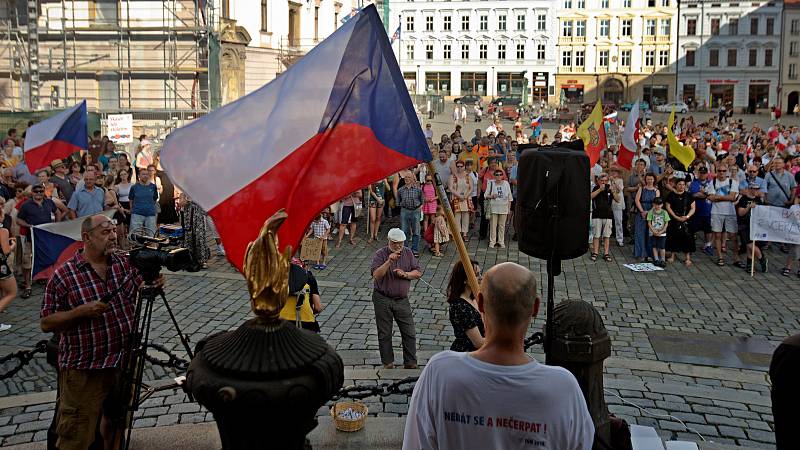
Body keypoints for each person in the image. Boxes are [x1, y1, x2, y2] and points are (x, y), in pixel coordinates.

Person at [403, 262, 594, 450]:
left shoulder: (440, 373)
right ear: (535, 307)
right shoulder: (563, 388)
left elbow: (415, 444)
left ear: (481, 303)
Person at [41, 214, 162, 450]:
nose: (113, 236)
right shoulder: (64, 276)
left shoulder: (123, 263)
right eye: (105, 232)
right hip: (85, 367)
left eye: (114, 230)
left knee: (117, 422)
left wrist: (154, 281)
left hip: (122, 362)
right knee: (76, 434)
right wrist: (79, 312)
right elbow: (47, 322)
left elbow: (143, 285)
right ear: (87, 237)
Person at [370, 228, 421, 369]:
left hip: (402, 299)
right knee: (384, 333)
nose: (398, 246)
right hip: (382, 297)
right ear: (389, 242)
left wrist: (405, 274)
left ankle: (411, 362)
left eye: (401, 243)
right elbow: (376, 275)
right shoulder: (380, 254)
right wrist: (388, 262)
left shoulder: (408, 253)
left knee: (409, 331)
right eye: (395, 243)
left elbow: (417, 272)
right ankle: (388, 362)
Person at [705, 165, 741, 267]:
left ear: (727, 172)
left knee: (733, 236)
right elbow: (711, 197)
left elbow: (733, 197)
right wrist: (726, 197)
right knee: (717, 235)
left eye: (724, 171)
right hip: (716, 212)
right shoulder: (713, 182)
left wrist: (718, 197)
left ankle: (736, 258)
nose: (721, 172)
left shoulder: (732, 182)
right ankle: (720, 257)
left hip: (730, 212)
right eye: (719, 170)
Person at [446, 259, 484, 352]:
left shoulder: (474, 297)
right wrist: (504, 342)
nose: (481, 278)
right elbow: (478, 343)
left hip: (481, 354)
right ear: (465, 280)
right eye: (477, 275)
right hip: (467, 356)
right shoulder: (460, 306)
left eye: (480, 273)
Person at [278, 260, 323, 332]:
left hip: (281, 320)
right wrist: (312, 312)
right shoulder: (309, 278)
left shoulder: (277, 279)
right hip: (306, 321)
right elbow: (318, 307)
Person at [736, 182, 768, 273]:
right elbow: (740, 213)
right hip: (744, 225)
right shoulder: (744, 199)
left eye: (757, 189)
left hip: (756, 225)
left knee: (751, 246)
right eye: (754, 189)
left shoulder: (759, 200)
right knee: (749, 244)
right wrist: (748, 207)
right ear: (750, 189)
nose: (756, 191)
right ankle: (762, 259)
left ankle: (750, 265)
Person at [665, 178, 696, 266]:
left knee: (687, 238)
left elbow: (693, 208)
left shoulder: (689, 195)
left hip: (686, 218)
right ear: (676, 185)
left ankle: (687, 258)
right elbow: (668, 206)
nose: (681, 186)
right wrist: (675, 216)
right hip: (674, 218)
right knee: (673, 236)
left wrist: (687, 217)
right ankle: (673, 255)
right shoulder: (671, 195)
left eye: (683, 185)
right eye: (679, 184)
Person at [590, 173, 620, 262]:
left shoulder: (610, 189)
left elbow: (618, 200)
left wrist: (613, 191)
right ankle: (595, 252)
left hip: (608, 215)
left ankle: (606, 253)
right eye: (601, 181)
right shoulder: (595, 188)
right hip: (597, 215)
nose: (603, 183)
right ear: (598, 181)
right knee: (596, 235)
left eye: (605, 181)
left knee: (607, 236)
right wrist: (600, 189)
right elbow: (590, 197)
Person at [178, 193, 211, 270]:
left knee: (200, 236)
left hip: (198, 215)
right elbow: (181, 203)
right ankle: (189, 259)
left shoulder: (198, 190)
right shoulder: (184, 190)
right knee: (188, 236)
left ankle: (202, 260)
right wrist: (185, 200)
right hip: (188, 216)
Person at [396, 173, 424, 257]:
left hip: (415, 210)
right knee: (404, 231)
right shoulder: (400, 190)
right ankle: (405, 250)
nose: (406, 178)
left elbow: (422, 200)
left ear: (412, 179)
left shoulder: (418, 190)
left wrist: (419, 208)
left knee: (416, 231)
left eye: (408, 177)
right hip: (404, 210)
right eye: (405, 177)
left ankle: (415, 249)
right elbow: (398, 201)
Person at [689, 166, 714, 256]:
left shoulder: (711, 183)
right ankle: (690, 247)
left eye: (704, 173)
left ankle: (707, 246)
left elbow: (712, 194)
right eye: (701, 173)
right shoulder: (694, 183)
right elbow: (694, 194)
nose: (703, 174)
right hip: (696, 210)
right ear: (698, 173)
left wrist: (704, 193)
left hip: (708, 211)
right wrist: (706, 194)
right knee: (692, 229)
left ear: (707, 174)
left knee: (708, 229)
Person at [634, 172, 659, 261]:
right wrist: (642, 211)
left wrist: (649, 212)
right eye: (648, 179)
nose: (649, 181)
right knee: (640, 233)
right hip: (641, 211)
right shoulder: (641, 188)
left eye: (651, 179)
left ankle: (649, 254)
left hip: (652, 212)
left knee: (650, 234)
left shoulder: (656, 191)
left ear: (654, 180)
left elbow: (657, 203)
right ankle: (641, 253)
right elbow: (637, 200)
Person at [128, 168, 159, 238]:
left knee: (152, 235)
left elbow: (154, 199)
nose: (145, 176)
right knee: (135, 235)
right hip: (137, 213)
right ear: (139, 175)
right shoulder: (134, 187)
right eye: (143, 174)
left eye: (147, 174)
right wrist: (132, 210)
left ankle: (151, 248)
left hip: (150, 214)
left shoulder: (153, 187)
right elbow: (131, 199)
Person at [486, 167, 512, 249]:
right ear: (494, 176)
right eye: (497, 175)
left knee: (502, 226)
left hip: (503, 207)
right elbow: (485, 195)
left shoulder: (506, 183)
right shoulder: (491, 183)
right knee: (493, 226)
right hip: (494, 208)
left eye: (500, 174)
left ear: (502, 176)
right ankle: (492, 241)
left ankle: (501, 241)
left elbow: (510, 198)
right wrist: (492, 196)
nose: (498, 176)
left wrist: (508, 209)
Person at [0, 205, 16, 332]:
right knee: (11, 292)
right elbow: (5, 251)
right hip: (2, 268)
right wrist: (13, 245)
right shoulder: (3, 231)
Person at [449, 161, 472, 241]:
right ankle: (457, 233)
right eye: (458, 166)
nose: (459, 168)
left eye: (461, 166)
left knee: (466, 215)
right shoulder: (453, 176)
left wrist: (465, 196)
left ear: (464, 167)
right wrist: (459, 196)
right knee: (457, 216)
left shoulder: (468, 176)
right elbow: (450, 188)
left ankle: (465, 233)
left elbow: (471, 188)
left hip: (466, 198)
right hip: (456, 198)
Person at [647, 197, 670, 267]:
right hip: (653, 232)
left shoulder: (664, 212)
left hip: (662, 233)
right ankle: (656, 259)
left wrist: (662, 231)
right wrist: (653, 230)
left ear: (662, 205)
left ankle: (663, 260)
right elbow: (649, 222)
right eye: (656, 204)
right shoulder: (651, 212)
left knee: (662, 246)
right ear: (653, 204)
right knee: (654, 246)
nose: (658, 206)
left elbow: (666, 223)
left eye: (659, 204)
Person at [367, 179, 389, 244]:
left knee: (378, 217)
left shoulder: (383, 179)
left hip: (381, 200)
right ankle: (371, 235)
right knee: (372, 218)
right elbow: (370, 190)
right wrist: (377, 199)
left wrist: (385, 182)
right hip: (373, 200)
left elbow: (388, 188)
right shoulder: (371, 178)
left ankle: (375, 234)